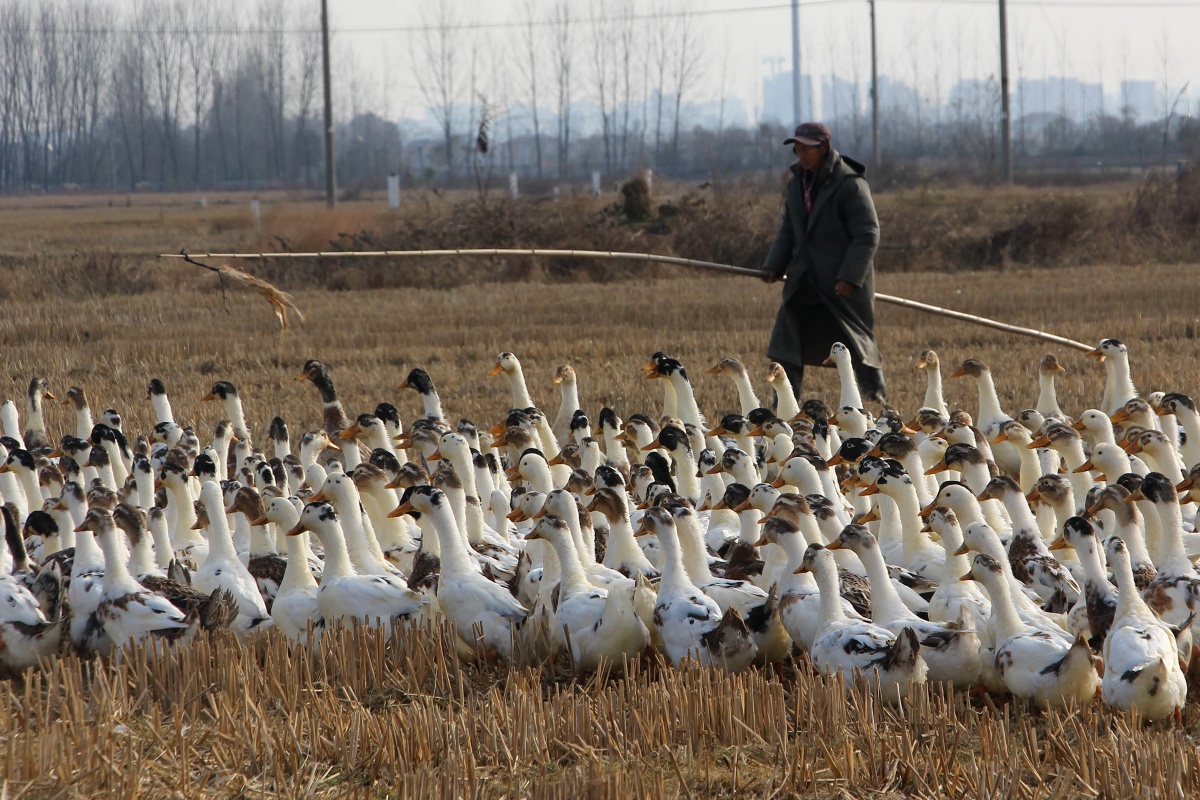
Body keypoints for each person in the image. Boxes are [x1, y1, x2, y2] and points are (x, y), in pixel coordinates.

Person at [761, 121, 886, 403]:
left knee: (858, 347)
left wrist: (850, 277)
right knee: (785, 346)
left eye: (807, 148)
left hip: (841, 284)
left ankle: (876, 403)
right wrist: (774, 265)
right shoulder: (797, 183)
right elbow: (789, 230)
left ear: (824, 148)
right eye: (797, 148)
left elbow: (867, 233)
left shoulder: (849, 183)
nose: (800, 154)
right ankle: (784, 406)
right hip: (803, 280)